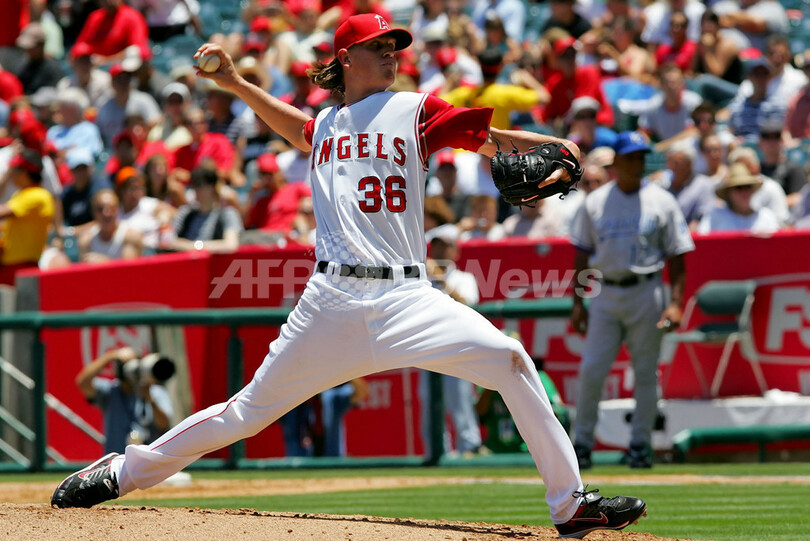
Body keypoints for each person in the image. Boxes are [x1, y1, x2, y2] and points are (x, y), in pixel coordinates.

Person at [51, 15, 647, 538]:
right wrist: (233, 83)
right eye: (377, 46)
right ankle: (122, 472)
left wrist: (556, 144)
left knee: (511, 361)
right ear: (345, 57)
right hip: (331, 302)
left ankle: (570, 506)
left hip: (409, 298)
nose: (391, 54)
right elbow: (298, 127)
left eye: (395, 46)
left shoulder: (413, 109)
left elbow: (489, 141)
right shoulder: (326, 126)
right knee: (245, 413)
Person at [569, 131, 695, 470]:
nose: (637, 163)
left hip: (647, 288)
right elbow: (581, 256)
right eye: (631, 157)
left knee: (645, 373)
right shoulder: (595, 201)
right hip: (606, 291)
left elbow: (678, 255)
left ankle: (640, 445)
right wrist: (577, 304)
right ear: (617, 162)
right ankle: (581, 445)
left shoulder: (662, 200)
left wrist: (676, 302)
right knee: (592, 370)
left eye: (641, 157)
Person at [421, 225, 486, 459]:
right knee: (430, 404)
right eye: (437, 245)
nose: (440, 250)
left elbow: (468, 305)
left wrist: (441, 281)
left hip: (458, 347)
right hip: (428, 347)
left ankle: (470, 448)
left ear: (455, 251)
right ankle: (437, 453)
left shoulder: (464, 278)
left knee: (460, 401)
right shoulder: (421, 279)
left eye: (445, 246)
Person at [75, 346, 175, 454]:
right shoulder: (111, 392)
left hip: (147, 460)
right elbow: (83, 382)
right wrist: (111, 356)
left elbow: (164, 424)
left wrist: (150, 400)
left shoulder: (156, 392)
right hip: (117, 460)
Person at [0, 149, 55, 285]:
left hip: (23, 270)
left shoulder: (38, 195)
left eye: (15, 169)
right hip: (10, 268)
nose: (11, 173)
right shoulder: (21, 194)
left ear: (25, 172)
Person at [167, 166, 243, 253]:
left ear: (212, 187)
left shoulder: (228, 214)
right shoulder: (185, 212)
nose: (195, 189)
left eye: (199, 185)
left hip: (214, 261)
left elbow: (230, 245)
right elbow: (168, 240)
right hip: (185, 260)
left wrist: (194, 246)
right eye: (193, 185)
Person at [697, 162, 780, 234]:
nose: (744, 192)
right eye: (739, 188)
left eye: (748, 187)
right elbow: (702, 242)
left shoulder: (766, 217)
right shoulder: (715, 216)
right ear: (729, 192)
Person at [77, 189, 144, 263]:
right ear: (93, 212)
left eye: (111, 208)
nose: (106, 213)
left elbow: (129, 268)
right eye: (100, 209)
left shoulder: (131, 237)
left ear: (118, 210)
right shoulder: (86, 240)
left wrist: (104, 262)